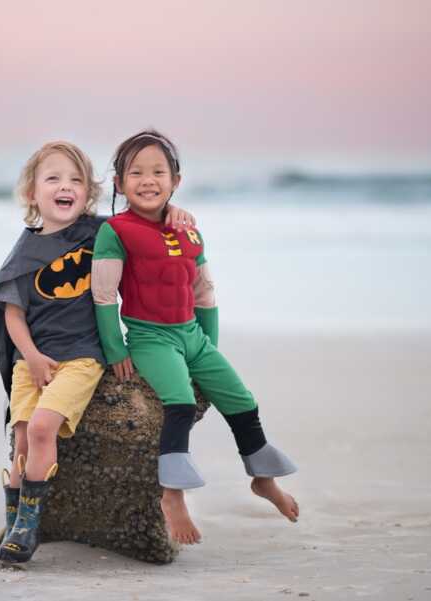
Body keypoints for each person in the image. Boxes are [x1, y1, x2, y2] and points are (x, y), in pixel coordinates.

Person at [0, 140, 195, 563]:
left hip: (82, 357)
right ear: (32, 193)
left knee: (43, 427)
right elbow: (12, 313)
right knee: (22, 435)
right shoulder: (25, 253)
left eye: (76, 180)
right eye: (54, 178)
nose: (66, 186)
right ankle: (18, 522)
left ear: (89, 193)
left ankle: (27, 533)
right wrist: (31, 356)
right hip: (32, 360)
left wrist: (173, 212)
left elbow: (144, 221)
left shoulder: (99, 231)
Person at [91, 130, 299, 545]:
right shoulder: (115, 231)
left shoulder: (189, 230)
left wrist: (209, 348)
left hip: (193, 336)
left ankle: (262, 479)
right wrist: (116, 349)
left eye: (158, 172)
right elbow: (103, 294)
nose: (148, 180)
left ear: (175, 181)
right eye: (136, 173)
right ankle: (172, 495)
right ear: (119, 184)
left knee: (242, 401)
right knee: (181, 402)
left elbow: (204, 291)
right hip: (151, 338)